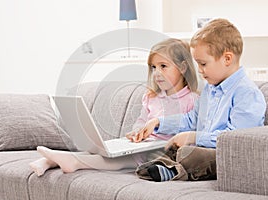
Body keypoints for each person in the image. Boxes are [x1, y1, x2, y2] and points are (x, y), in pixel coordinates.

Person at [29, 38, 199, 176]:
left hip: (161, 152)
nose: (157, 73)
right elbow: (141, 121)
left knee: (120, 160)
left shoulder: (192, 100)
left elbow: (188, 130)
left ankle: (72, 162)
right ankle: (51, 161)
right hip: (143, 146)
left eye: (163, 66)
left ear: (183, 67)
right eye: (153, 67)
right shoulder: (151, 98)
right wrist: (136, 132)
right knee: (105, 150)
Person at [133, 18, 266, 182]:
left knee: (193, 155)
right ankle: (164, 166)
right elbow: (191, 119)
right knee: (173, 148)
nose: (200, 70)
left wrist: (194, 137)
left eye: (203, 64)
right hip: (201, 150)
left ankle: (173, 170)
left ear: (227, 59)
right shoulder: (209, 89)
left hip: (228, 155)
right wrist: (158, 122)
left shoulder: (247, 93)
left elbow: (236, 140)